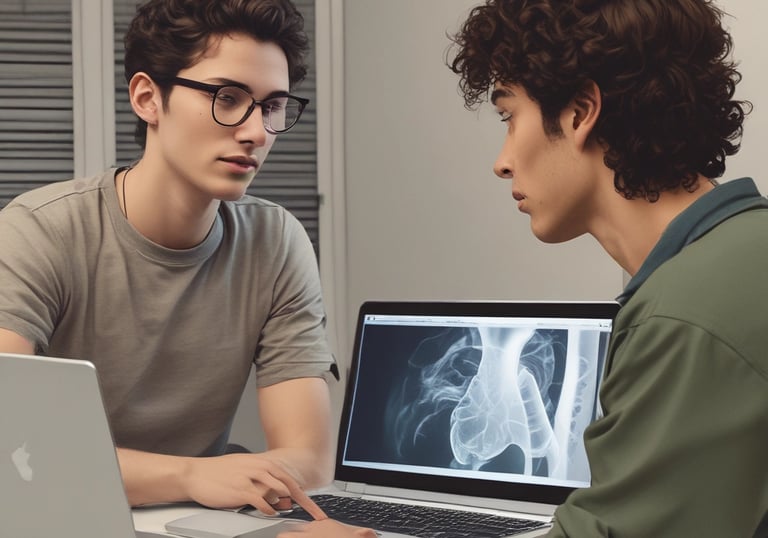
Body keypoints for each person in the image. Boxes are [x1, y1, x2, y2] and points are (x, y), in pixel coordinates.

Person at [279, 0, 768, 536]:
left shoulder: (684, 320)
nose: (502, 160)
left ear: (581, 113)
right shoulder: (736, 257)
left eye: (510, 117)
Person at [0, 0, 339, 514]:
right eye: (228, 98)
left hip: (198, 523)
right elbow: (7, 448)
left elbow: (311, 459)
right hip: (52, 516)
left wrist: (205, 482)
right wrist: (191, 474)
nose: (256, 132)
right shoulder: (39, 230)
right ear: (147, 98)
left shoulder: (276, 241)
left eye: (272, 106)